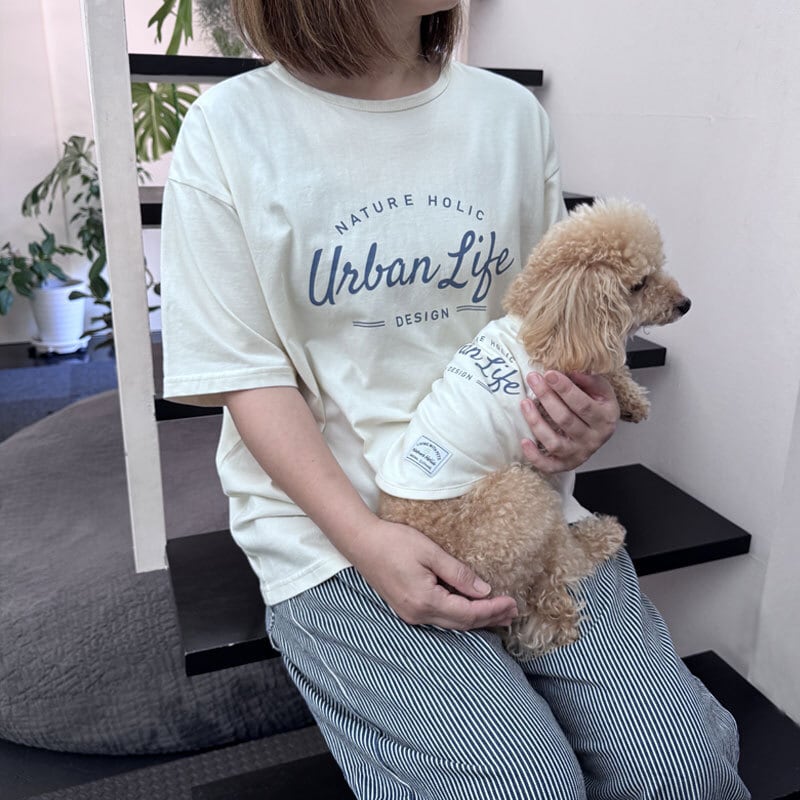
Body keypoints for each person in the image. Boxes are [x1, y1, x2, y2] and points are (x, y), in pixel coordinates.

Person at [160, 2, 749, 797]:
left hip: (515, 496)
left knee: (682, 768)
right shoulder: (229, 130)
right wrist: (368, 541)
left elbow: (549, 322)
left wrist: (587, 413)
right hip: (338, 529)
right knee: (519, 786)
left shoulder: (508, 116)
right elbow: (246, 375)